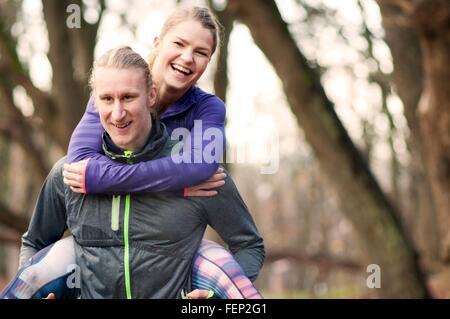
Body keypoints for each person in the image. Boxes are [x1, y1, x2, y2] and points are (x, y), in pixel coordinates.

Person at [1, 46, 264, 299]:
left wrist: (215, 296)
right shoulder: (69, 175)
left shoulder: (198, 176)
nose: (117, 113)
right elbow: (35, 243)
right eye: (106, 99)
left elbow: (248, 245)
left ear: (151, 96)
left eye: (128, 97)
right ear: (95, 103)